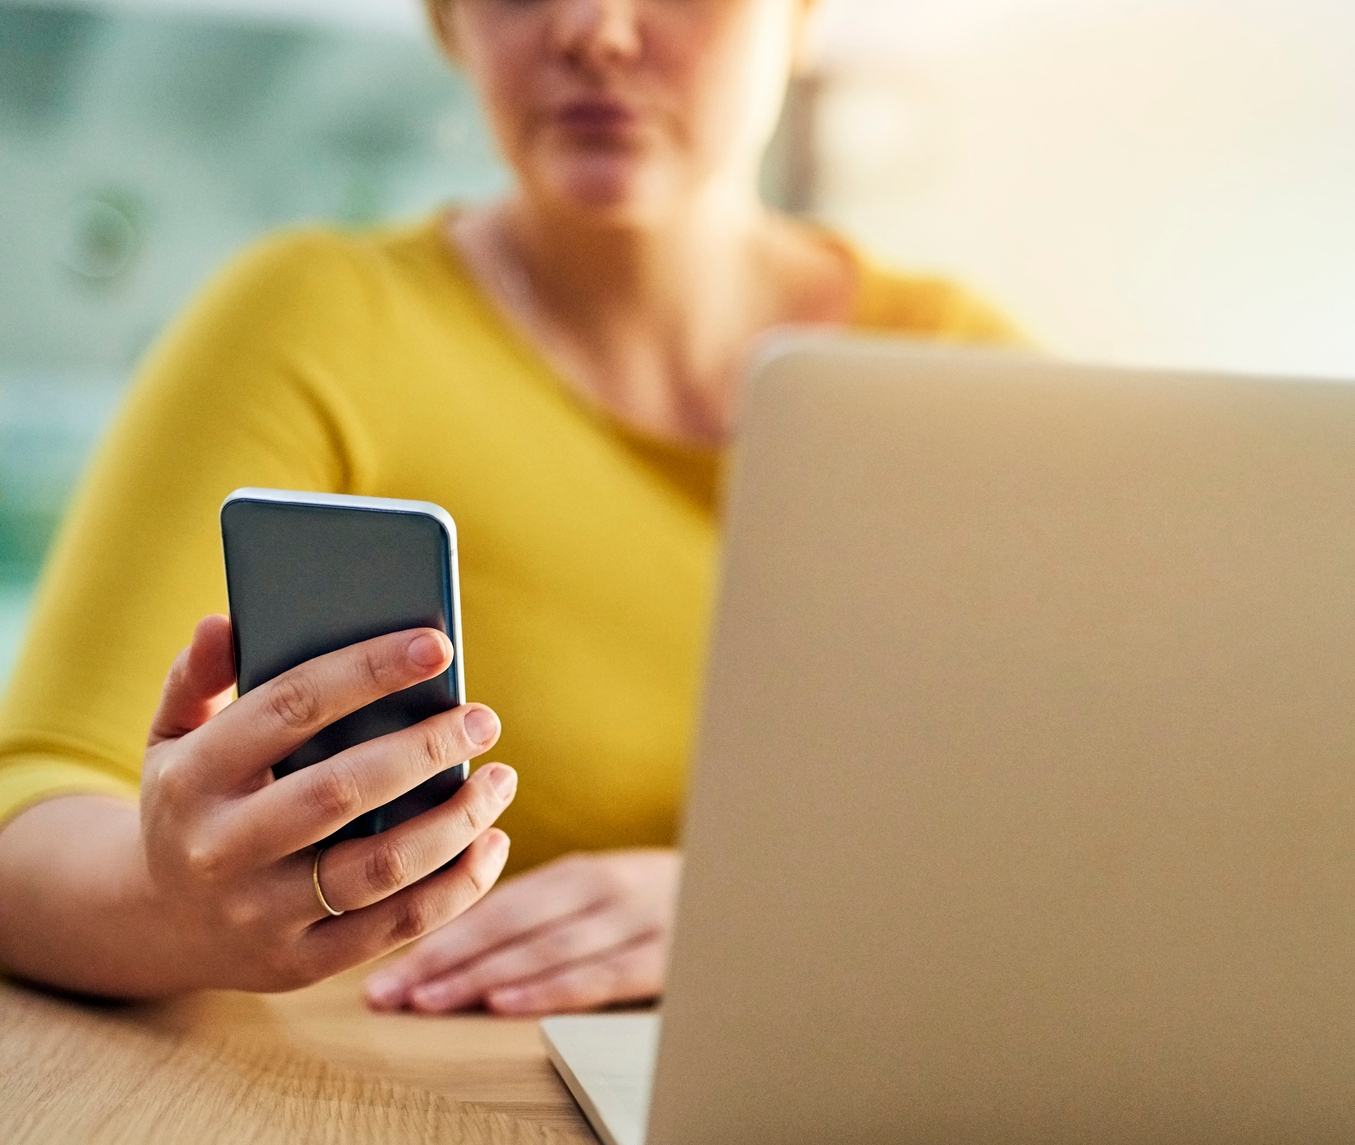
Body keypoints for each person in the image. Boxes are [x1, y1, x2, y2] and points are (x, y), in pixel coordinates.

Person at [0, 0, 1019, 1012]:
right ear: (449, 21)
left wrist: (760, 912)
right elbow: (28, 814)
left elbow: (1115, 829)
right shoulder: (311, 320)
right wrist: (173, 904)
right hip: (398, 1117)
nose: (593, 30)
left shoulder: (970, 376)